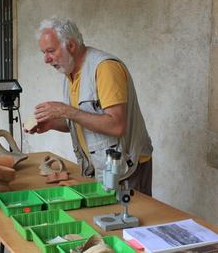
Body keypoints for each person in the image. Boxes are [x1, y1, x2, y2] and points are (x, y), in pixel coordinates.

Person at [28, 17, 153, 196]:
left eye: (50, 51)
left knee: (130, 221)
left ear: (71, 45)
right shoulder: (70, 72)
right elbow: (85, 119)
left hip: (127, 169)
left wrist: (66, 110)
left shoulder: (105, 69)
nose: (46, 59)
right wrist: (53, 124)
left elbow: (116, 126)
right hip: (103, 168)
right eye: (43, 53)